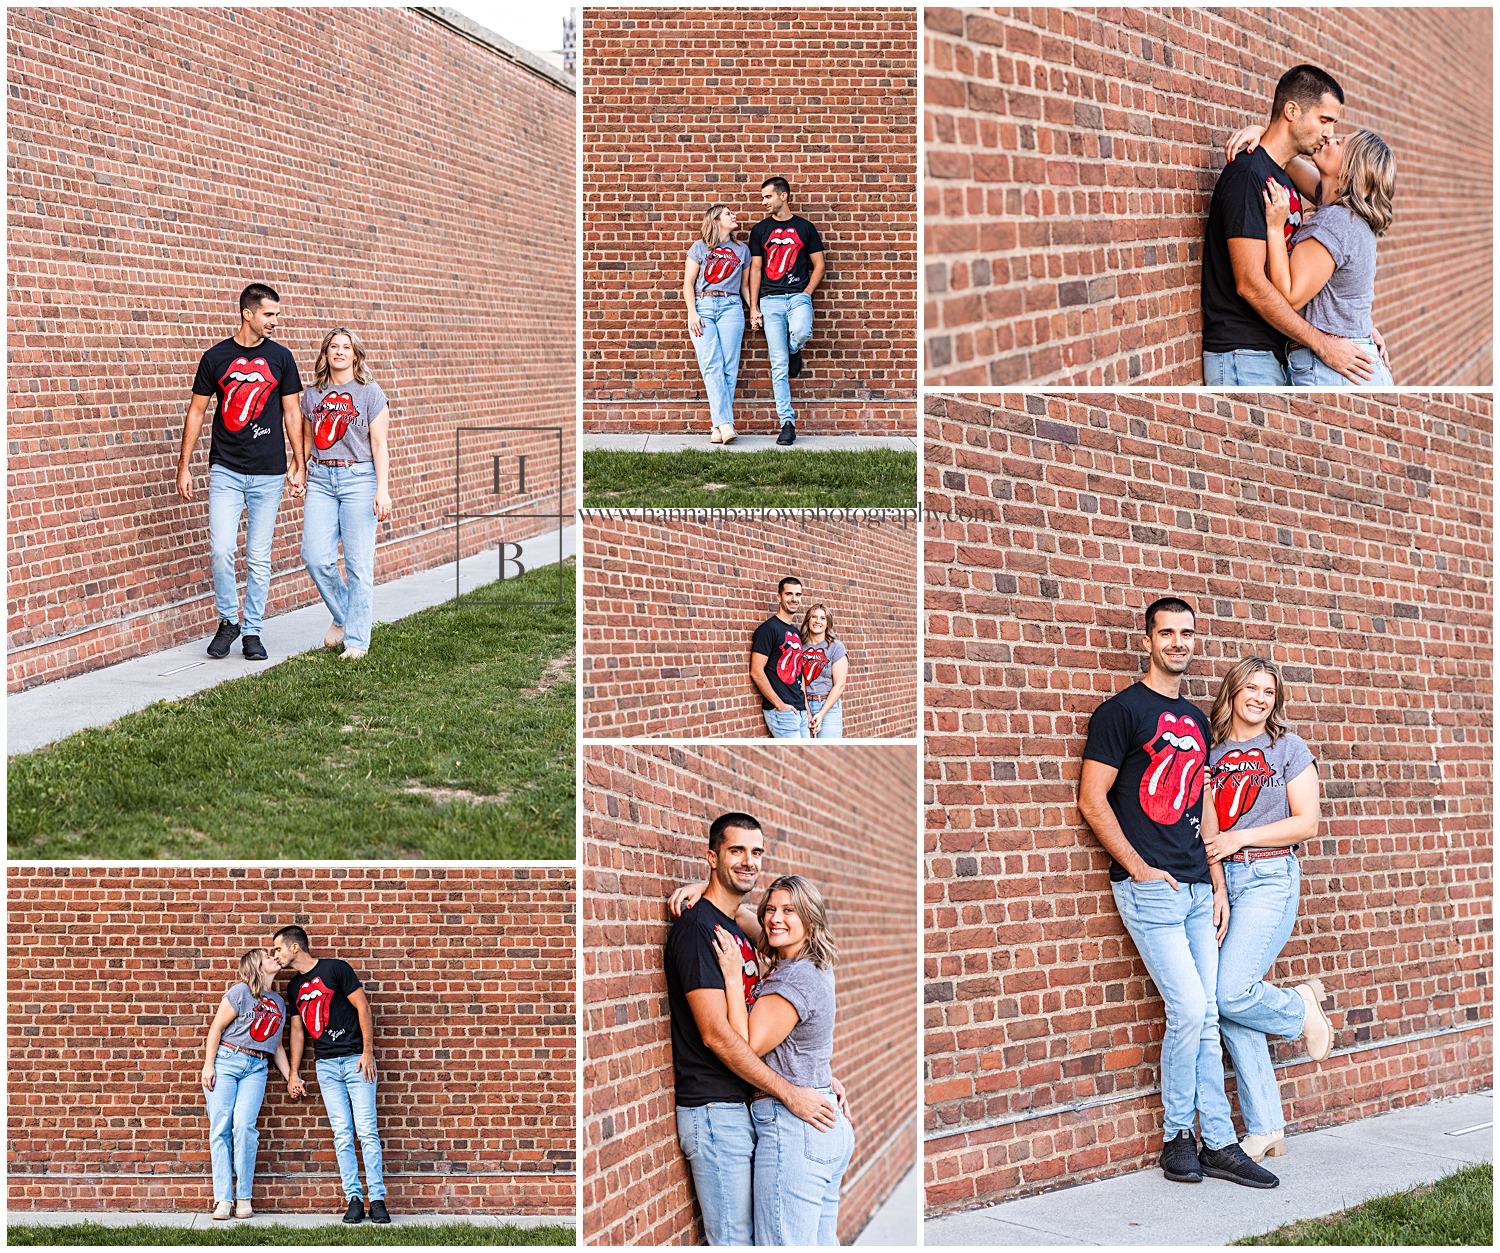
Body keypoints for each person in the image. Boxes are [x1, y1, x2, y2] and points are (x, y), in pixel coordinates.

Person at [1076, 597, 1278, 1189]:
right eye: (1166, 633)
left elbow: (1204, 807)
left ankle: (1217, 1140)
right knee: (1189, 1008)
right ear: (1148, 640)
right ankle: (1176, 1137)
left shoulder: (1194, 717)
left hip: (1196, 888)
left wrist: (1217, 885)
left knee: (1209, 1014)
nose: (1178, 642)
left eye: (1186, 633)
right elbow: (1092, 800)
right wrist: (1139, 869)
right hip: (1152, 890)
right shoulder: (1120, 712)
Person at [661, 813, 844, 1246]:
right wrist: (792, 1090)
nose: (748, 861)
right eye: (736, 850)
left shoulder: (739, 933)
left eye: (756, 852)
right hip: (713, 1108)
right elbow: (718, 1035)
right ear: (711, 857)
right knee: (737, 1242)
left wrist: (815, 1075)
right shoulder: (697, 933)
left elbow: (752, 921)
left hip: (745, 1103)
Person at [1201, 657, 1334, 1162]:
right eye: (1251, 688)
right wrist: (1217, 887)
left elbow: (1306, 823)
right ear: (1233, 692)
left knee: (1230, 991)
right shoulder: (1211, 755)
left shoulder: (1288, 748)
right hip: (1228, 881)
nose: (1259, 697)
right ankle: (1265, 1129)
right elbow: (1210, 834)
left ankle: (1299, 1008)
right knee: (1231, 1005)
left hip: (1270, 876)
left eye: (1269, 691)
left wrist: (1243, 838)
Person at [1200, 65, 1383, 387]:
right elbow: (1251, 285)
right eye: (1325, 120)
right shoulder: (1248, 178)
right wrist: (1323, 343)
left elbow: (1337, 192)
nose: (1329, 134)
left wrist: (1357, 324)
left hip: (1275, 348)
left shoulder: (1286, 176)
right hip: (1244, 352)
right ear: (1292, 110)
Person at [711, 875, 854, 1246]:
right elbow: (746, 919)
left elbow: (746, 1044)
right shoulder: (811, 962)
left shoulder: (791, 979)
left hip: (795, 1129)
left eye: (789, 911)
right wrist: (705, 893)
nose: (776, 918)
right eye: (771, 909)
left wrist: (730, 974)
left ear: (810, 918)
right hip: (821, 1122)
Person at [178, 283, 305, 661]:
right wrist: (183, 467)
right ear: (247, 313)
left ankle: (251, 631)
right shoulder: (215, 357)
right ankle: (227, 620)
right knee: (221, 550)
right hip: (226, 470)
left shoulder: (281, 357)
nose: (275, 322)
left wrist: (299, 462)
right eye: (269, 314)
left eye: (276, 315)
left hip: (268, 471)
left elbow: (292, 413)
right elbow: (197, 412)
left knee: (259, 557)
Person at [1258, 131, 1397, 386]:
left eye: (1340, 143)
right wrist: (1263, 134)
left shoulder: (1335, 222)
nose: (1330, 138)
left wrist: (1275, 228)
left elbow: (1288, 294)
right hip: (1353, 364)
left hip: (1334, 369)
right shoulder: (1350, 218)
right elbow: (1289, 161)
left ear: (1348, 172)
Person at [274, 926, 391, 1225]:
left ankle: (377, 1200)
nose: (277, 954)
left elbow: (363, 1007)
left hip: (356, 1061)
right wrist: (295, 1073)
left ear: (295, 947)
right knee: (342, 1135)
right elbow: (298, 1031)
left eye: (278, 949)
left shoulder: (336, 969)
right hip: (326, 1066)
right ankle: (353, 1198)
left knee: (366, 1131)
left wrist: (367, 1052)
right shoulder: (293, 988)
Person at [300, 327, 393, 660]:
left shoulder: (370, 393)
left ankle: (356, 641)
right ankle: (343, 615)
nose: (339, 352)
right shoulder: (312, 394)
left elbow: (380, 445)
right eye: (333, 347)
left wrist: (382, 490)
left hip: (359, 478)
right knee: (314, 556)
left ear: (355, 354)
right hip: (322, 478)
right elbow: (308, 440)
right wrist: (299, 470)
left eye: (346, 347)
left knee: (358, 565)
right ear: (326, 353)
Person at [200, 948, 295, 1220]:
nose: (274, 958)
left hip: (257, 1068)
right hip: (227, 1062)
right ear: (256, 965)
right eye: (267, 956)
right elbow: (216, 1027)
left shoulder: (278, 1002)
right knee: (221, 1129)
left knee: (244, 1128)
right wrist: (209, 1065)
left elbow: (275, 1047)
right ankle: (223, 1200)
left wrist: (291, 1077)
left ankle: (243, 1197)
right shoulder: (240, 992)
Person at [748, 178, 826, 446]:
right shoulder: (760, 230)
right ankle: (787, 423)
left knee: (802, 331)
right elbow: (756, 270)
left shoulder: (805, 228)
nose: (764, 202)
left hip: (798, 296)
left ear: (784, 196)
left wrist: (806, 294)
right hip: (770, 301)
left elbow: (819, 265)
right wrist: (755, 307)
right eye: (763, 197)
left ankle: (795, 348)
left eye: (768, 197)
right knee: (778, 367)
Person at [685, 205, 752, 444]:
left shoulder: (742, 250)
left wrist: (753, 309)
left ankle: (717, 427)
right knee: (711, 364)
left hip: (731, 307)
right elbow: (688, 283)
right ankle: (726, 423)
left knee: (729, 367)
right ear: (715, 221)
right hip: (702, 307)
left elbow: (745, 286)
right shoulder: (700, 247)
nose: (734, 216)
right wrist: (692, 313)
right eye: (728, 214)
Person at [751, 577, 809, 738]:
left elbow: (799, 672)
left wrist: (806, 709)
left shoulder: (796, 633)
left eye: (798, 595)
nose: (794, 599)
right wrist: (779, 704)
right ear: (779, 597)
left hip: (801, 711)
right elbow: (756, 671)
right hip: (783, 712)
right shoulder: (768, 630)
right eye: (789, 594)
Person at [800, 604, 848, 739]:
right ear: (808, 620)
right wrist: (808, 713)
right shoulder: (800, 647)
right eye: (814, 617)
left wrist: (821, 714)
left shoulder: (835, 647)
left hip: (828, 707)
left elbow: (840, 685)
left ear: (827, 623)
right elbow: (800, 682)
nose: (817, 621)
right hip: (803, 706)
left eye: (822, 618)